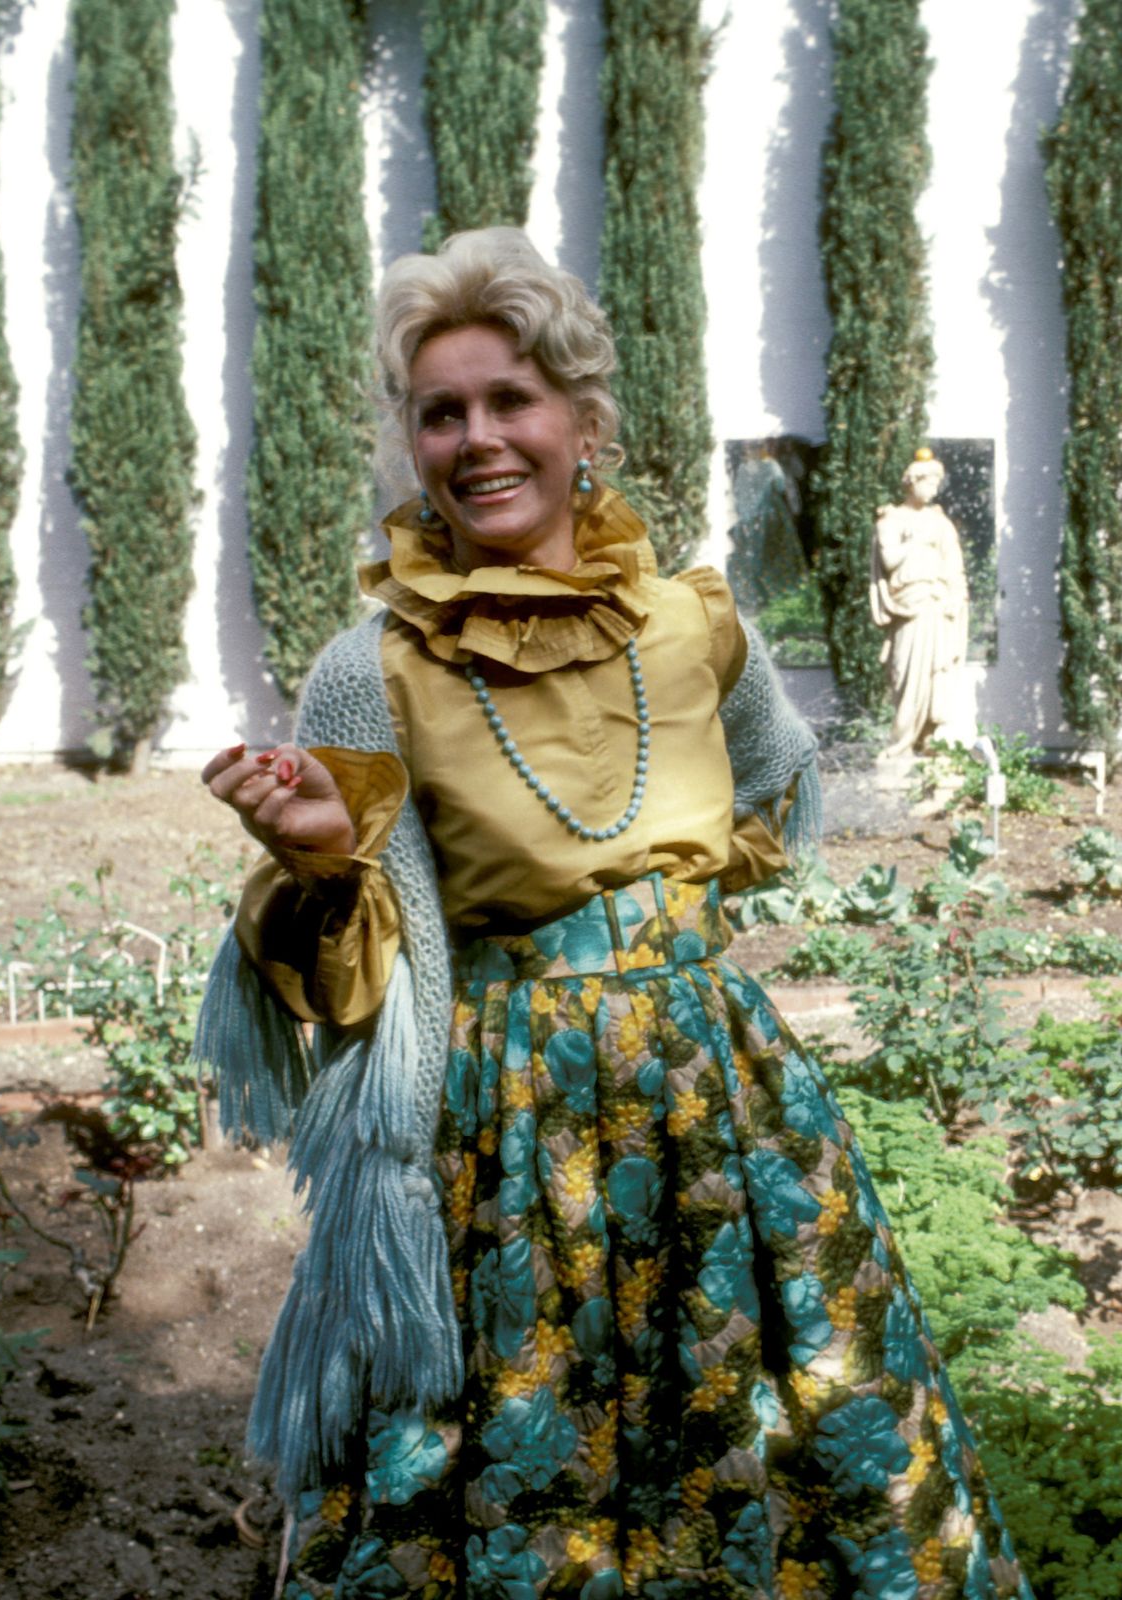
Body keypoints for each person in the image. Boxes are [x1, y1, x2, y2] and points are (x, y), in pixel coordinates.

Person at [194, 228, 1028, 1600]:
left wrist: (659, 930)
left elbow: (772, 785)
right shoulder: (371, 670)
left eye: (510, 400)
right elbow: (354, 988)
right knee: (527, 1475)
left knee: (800, 1448)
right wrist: (330, 861)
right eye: (440, 413)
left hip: (716, 1111)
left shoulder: (694, 621)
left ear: (584, 420)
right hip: (505, 1144)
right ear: (412, 444)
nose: (478, 439)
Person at [870, 451, 970, 759]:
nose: (934, 489)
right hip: (909, 608)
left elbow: (954, 565)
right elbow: (888, 559)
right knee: (906, 675)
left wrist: (956, 597)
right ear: (912, 482)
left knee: (936, 674)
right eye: (929, 482)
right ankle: (901, 742)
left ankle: (929, 738)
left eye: (937, 482)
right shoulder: (892, 519)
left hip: (937, 605)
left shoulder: (940, 522)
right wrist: (915, 540)